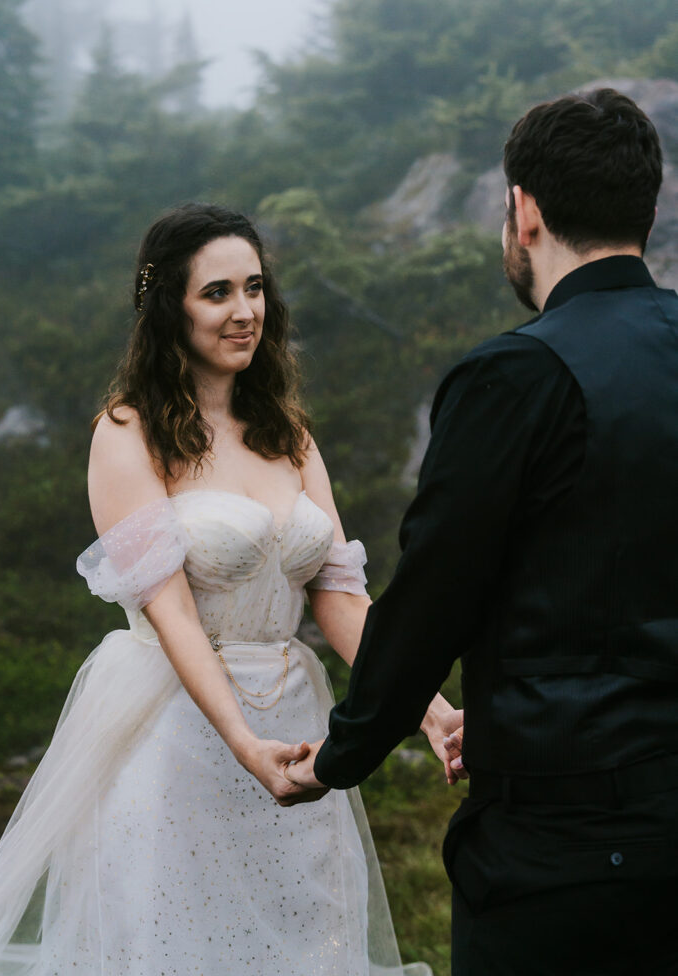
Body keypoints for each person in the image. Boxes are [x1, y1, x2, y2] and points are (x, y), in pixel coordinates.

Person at [0, 204, 454, 975]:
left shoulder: (287, 432)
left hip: (300, 736)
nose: (244, 312)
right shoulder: (127, 431)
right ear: (168, 305)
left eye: (254, 288)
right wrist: (243, 744)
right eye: (217, 293)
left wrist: (429, 710)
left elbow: (339, 595)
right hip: (173, 735)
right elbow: (168, 610)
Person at [287, 88, 678, 974]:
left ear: (524, 211)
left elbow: (434, 594)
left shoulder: (515, 374)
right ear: (645, 211)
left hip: (563, 847)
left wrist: (340, 756)